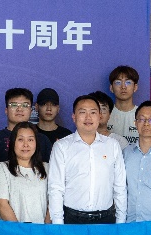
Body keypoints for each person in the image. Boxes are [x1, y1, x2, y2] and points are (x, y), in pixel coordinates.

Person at [47, 95, 127, 224]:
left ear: (99, 116)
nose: (88, 117)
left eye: (93, 112)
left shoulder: (112, 145)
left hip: (106, 219)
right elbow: (56, 188)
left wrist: (120, 221)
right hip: (72, 220)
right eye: (82, 112)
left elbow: (120, 186)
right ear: (74, 117)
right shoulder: (62, 147)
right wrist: (58, 224)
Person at [0, 121, 49, 224]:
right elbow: (1, 204)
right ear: (13, 143)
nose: (26, 145)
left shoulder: (47, 168)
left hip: (42, 231)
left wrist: (45, 229)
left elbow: (53, 202)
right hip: (14, 231)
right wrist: (19, 231)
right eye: (20, 139)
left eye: (30, 140)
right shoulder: (3, 168)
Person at [0, 88, 34, 164]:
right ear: (6, 110)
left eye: (25, 105)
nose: (19, 109)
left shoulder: (42, 140)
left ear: (31, 111)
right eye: (14, 105)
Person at [33, 88, 71, 158]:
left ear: (58, 109)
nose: (49, 109)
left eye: (53, 104)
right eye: (44, 104)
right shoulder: (30, 132)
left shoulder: (66, 135)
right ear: (36, 107)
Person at [107, 65, 140, 143]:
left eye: (128, 82)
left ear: (135, 87)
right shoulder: (105, 114)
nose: (123, 87)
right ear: (111, 88)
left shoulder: (142, 114)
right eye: (118, 82)